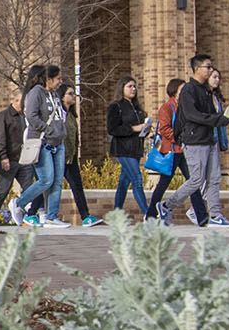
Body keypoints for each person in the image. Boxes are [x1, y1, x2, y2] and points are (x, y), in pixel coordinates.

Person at [169, 53, 229, 227]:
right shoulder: (189, 89)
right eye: (208, 67)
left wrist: (225, 117)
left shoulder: (205, 90)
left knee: (214, 178)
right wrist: (218, 120)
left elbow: (211, 114)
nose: (210, 70)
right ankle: (167, 206)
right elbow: (192, 115)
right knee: (196, 180)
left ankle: (216, 215)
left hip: (210, 140)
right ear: (197, 68)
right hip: (195, 142)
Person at [14, 63, 69, 227]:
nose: (61, 82)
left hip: (58, 142)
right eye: (58, 78)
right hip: (42, 141)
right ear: (48, 79)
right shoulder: (36, 93)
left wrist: (60, 131)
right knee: (46, 180)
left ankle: (51, 216)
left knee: (57, 181)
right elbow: (31, 116)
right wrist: (49, 130)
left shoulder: (55, 94)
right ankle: (19, 203)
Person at [59, 83, 102, 226]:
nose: (74, 97)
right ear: (62, 97)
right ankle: (29, 210)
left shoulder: (71, 115)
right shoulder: (58, 113)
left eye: (74, 94)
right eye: (70, 94)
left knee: (77, 186)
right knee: (48, 185)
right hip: (59, 157)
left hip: (70, 158)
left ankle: (85, 216)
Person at [107, 77, 150, 217]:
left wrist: (146, 130)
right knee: (137, 179)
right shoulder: (116, 106)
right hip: (123, 149)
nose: (133, 89)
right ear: (122, 88)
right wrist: (134, 128)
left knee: (124, 182)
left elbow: (139, 129)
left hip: (135, 149)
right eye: (129, 86)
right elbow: (112, 129)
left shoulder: (137, 108)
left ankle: (117, 213)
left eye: (134, 86)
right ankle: (147, 214)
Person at [144, 78, 186, 219]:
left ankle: (201, 215)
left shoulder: (184, 107)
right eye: (182, 89)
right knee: (163, 184)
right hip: (172, 151)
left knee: (194, 182)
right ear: (174, 91)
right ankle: (150, 213)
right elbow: (165, 128)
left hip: (183, 150)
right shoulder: (167, 107)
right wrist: (180, 139)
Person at [0, 91, 26, 225]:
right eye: (23, 101)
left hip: (24, 159)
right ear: (15, 101)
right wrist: (3, 157)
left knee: (30, 187)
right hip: (8, 158)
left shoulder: (24, 117)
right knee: (4, 188)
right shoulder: (3, 116)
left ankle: (26, 213)